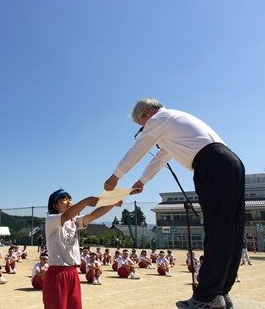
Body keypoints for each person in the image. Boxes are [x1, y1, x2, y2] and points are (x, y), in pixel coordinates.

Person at [104, 98, 245, 309]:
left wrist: (115, 176)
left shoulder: (158, 120)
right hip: (231, 162)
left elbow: (138, 149)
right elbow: (163, 154)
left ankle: (207, 297)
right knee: (230, 231)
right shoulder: (174, 120)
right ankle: (220, 292)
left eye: (140, 125)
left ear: (146, 113)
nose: (143, 129)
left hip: (211, 164)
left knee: (217, 230)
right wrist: (142, 181)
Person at [42, 189, 122, 309]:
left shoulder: (74, 221)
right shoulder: (51, 220)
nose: (68, 201)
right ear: (54, 206)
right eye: (63, 199)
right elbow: (67, 215)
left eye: (70, 199)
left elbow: (92, 216)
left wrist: (112, 204)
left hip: (73, 273)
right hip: (57, 274)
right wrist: (85, 202)